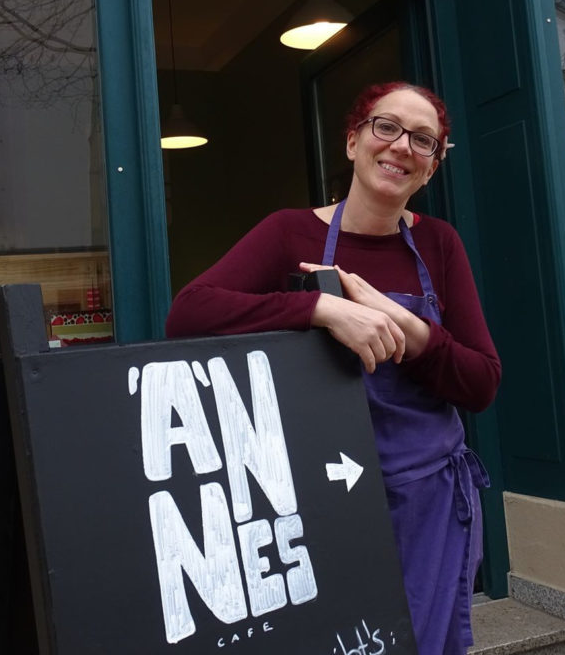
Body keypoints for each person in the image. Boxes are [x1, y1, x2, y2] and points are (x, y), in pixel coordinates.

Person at [165, 82, 501, 655]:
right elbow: (188, 314)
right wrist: (317, 308)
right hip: (313, 499)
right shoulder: (287, 233)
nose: (401, 147)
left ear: (433, 167)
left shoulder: (440, 245)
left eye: (424, 141)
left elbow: (481, 382)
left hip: (425, 501)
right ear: (352, 141)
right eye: (386, 127)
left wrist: (411, 333)